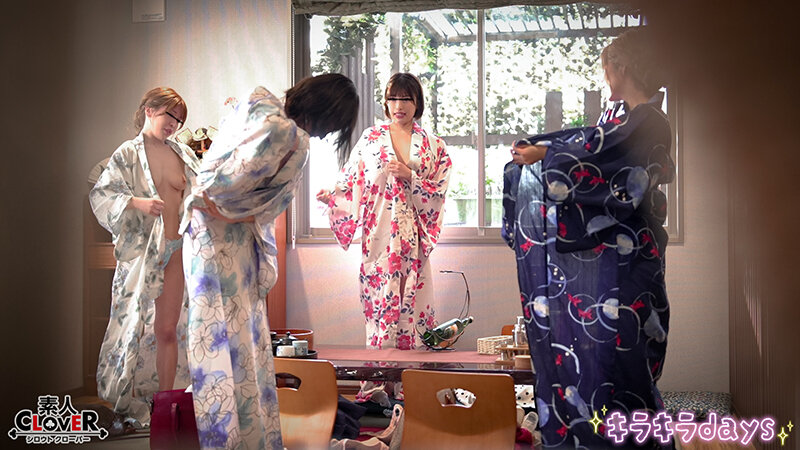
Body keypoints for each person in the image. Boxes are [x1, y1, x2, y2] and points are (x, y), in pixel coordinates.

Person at [502, 28, 675, 449]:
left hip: (632, 262)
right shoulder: (621, 120)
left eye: (607, 67)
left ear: (622, 66)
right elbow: (588, 143)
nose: (605, 75)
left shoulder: (649, 121)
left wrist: (546, 154)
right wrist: (540, 149)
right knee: (597, 357)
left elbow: (601, 160)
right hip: (612, 260)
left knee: (627, 358)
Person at [181, 73, 359, 449]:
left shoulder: (259, 99)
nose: (327, 134)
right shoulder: (291, 135)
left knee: (216, 337)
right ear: (324, 112)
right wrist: (233, 210)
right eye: (332, 125)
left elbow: (218, 175)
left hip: (204, 231)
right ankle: (239, 438)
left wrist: (220, 204)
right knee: (235, 338)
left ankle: (228, 435)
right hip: (226, 235)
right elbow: (237, 189)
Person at [316, 73, 451, 402]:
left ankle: (412, 389)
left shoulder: (433, 145)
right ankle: (377, 388)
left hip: (412, 240)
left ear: (417, 103)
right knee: (379, 306)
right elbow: (351, 181)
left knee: (412, 306)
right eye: (393, 98)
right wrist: (332, 197)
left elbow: (439, 190)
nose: (398, 105)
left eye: (406, 99)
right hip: (378, 236)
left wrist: (411, 175)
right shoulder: (371, 138)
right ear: (386, 102)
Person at [90, 87, 200, 426]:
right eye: (170, 115)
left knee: (167, 330)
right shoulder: (127, 153)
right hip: (142, 252)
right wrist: (137, 202)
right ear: (150, 110)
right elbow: (102, 194)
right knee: (133, 326)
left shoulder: (183, 154)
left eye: (179, 120)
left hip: (176, 249)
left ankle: (167, 405)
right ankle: (126, 396)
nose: (174, 124)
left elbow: (201, 193)